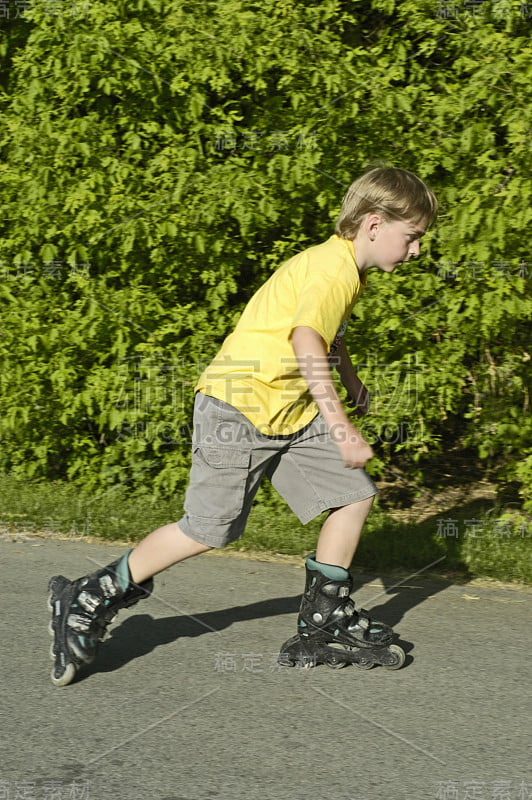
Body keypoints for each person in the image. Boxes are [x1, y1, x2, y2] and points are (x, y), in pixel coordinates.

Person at [48, 165, 438, 685]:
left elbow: (328, 338)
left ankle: (322, 622)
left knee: (353, 495)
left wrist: (354, 380)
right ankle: (90, 595)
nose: (416, 250)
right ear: (374, 223)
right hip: (238, 407)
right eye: (411, 237)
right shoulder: (332, 271)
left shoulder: (345, 268)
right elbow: (305, 340)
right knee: (208, 529)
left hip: (291, 412)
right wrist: (341, 424)